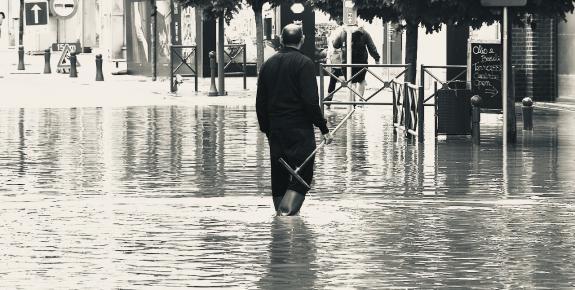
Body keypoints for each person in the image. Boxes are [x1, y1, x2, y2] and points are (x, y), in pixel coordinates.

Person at [256, 24, 333, 216]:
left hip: (276, 130)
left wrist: (267, 129)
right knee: (303, 174)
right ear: (303, 39)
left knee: (279, 175)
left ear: (281, 40)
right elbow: (310, 102)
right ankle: (286, 217)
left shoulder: (268, 64)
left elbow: (260, 102)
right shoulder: (305, 63)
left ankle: (280, 229)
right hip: (300, 131)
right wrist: (324, 128)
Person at [333, 25, 381, 99]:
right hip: (361, 62)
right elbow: (371, 47)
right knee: (361, 80)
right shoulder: (364, 33)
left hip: (347, 63)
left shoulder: (343, 32)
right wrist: (376, 58)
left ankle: (352, 101)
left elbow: (335, 45)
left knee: (351, 82)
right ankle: (360, 100)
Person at [325, 19, 346, 108]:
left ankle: (329, 99)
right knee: (351, 78)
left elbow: (330, 47)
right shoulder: (343, 31)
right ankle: (354, 101)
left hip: (335, 58)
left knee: (333, 79)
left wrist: (328, 57)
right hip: (340, 57)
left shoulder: (335, 32)